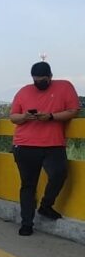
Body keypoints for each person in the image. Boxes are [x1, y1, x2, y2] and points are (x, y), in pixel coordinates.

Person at [10, 62, 80, 236]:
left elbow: (73, 110)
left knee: (59, 174)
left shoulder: (65, 87)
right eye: (36, 81)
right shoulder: (24, 91)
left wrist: (51, 117)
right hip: (25, 145)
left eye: (43, 81)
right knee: (28, 185)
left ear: (50, 76)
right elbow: (13, 117)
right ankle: (27, 223)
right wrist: (25, 117)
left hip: (54, 144)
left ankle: (46, 205)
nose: (39, 84)